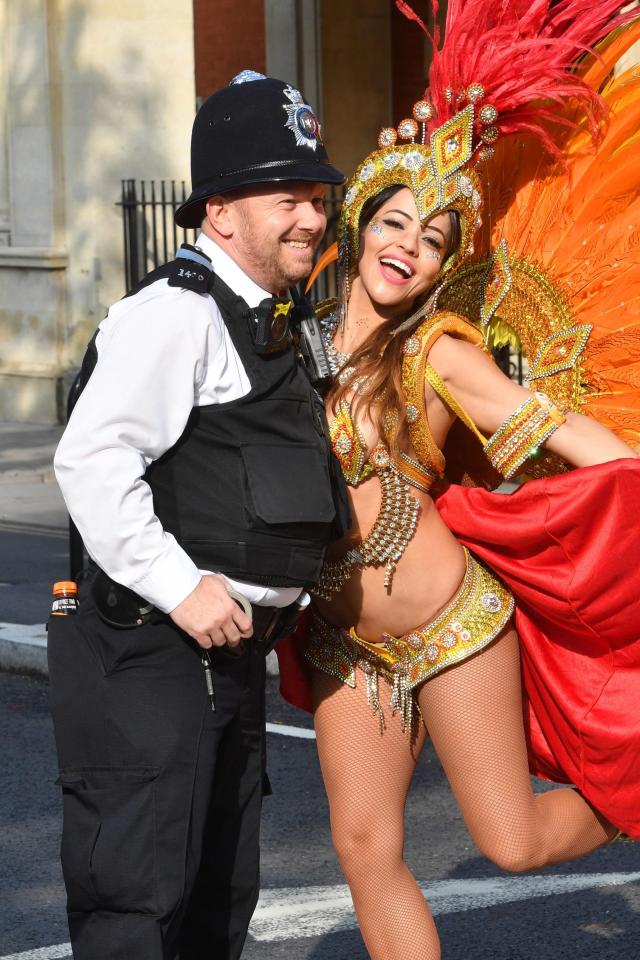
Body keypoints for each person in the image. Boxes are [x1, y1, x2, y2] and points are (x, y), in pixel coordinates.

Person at [275, 3, 640, 958]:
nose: (410, 245)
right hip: (343, 642)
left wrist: (631, 475)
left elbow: (558, 429)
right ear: (361, 224)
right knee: (364, 848)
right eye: (397, 221)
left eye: (434, 238)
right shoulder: (279, 340)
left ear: (443, 266)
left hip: (449, 622)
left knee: (510, 842)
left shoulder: (437, 349)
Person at [49, 71, 347, 960]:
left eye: (317, 199)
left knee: (217, 903)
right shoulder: (173, 315)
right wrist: (182, 589)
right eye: (288, 198)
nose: (312, 218)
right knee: (138, 908)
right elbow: (92, 460)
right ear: (221, 213)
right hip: (150, 653)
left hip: (221, 657)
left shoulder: (263, 318)